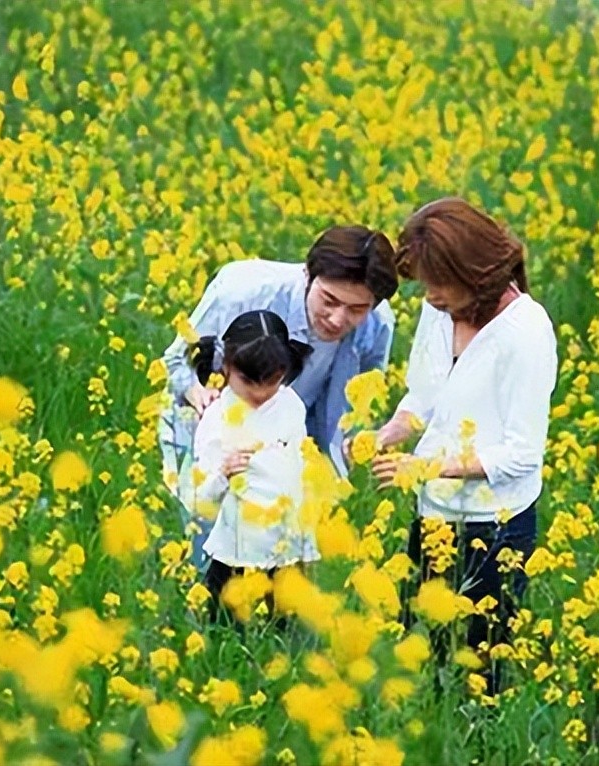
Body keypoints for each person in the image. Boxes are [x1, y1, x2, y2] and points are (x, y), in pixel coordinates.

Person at [367, 197, 558, 695]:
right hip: (433, 513)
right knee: (420, 654)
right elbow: (426, 392)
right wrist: (392, 430)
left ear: (474, 273)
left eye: (436, 284)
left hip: (495, 526)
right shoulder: (443, 309)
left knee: (480, 667)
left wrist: (427, 467)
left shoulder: (527, 332)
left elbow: (521, 454)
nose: (428, 297)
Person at [160, 226, 399, 566]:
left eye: (356, 309)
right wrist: (198, 392)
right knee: (208, 548)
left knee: (285, 553)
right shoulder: (243, 292)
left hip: (291, 431)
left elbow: (360, 396)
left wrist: (352, 442)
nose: (337, 318)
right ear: (307, 275)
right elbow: (175, 360)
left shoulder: (378, 324)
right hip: (214, 422)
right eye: (329, 300)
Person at [182, 309, 318, 622]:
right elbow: (199, 499)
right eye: (248, 381)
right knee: (225, 630)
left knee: (286, 631)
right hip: (238, 549)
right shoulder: (216, 418)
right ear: (226, 367)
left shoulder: (291, 405)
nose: (259, 393)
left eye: (271, 382)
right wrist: (223, 473)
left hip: (287, 545)